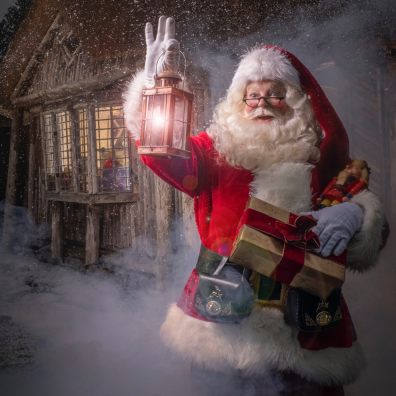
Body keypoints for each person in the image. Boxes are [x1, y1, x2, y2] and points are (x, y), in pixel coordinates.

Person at [123, 16, 386, 396]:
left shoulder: (322, 157)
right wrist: (151, 91)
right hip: (223, 325)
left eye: (274, 93)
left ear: (294, 101)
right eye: (252, 95)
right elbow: (162, 154)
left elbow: (371, 232)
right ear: (238, 102)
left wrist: (356, 213)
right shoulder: (212, 154)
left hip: (306, 334)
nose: (261, 103)